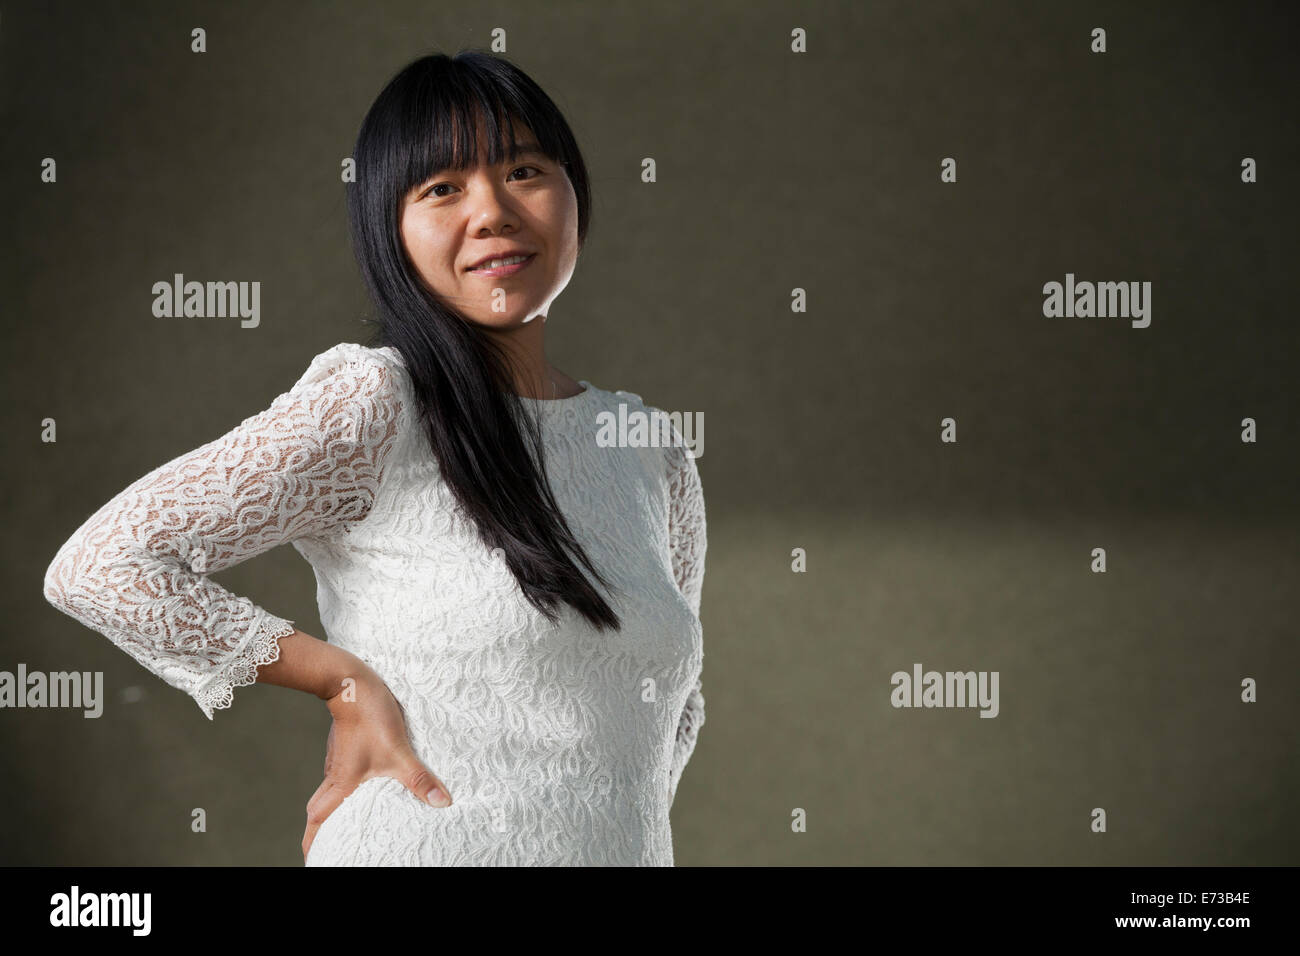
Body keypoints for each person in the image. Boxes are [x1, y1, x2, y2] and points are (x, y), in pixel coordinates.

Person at [41, 50, 707, 866]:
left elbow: (673, 716)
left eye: (524, 169)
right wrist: (339, 681)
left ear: (574, 192)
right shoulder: (377, 403)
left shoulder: (653, 450)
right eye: (441, 189)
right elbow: (102, 564)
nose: (492, 210)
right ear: (389, 230)